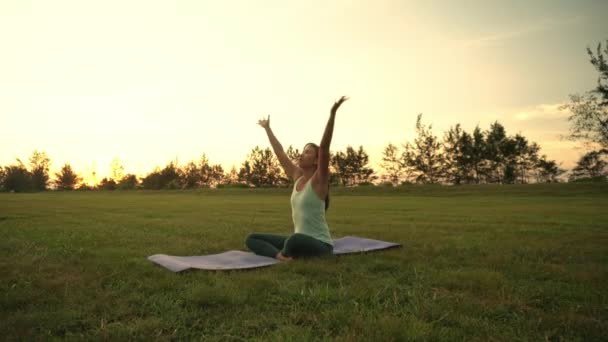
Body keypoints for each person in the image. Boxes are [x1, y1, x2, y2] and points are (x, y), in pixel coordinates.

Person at [245, 96, 349, 261]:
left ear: (316, 160)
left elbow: (324, 148)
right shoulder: (297, 177)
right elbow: (280, 153)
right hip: (300, 240)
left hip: (321, 245)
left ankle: (287, 252)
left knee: (294, 239)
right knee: (252, 238)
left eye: (307, 152)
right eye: (303, 150)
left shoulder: (319, 180)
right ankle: (281, 255)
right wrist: (267, 129)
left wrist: (332, 114)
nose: (302, 154)